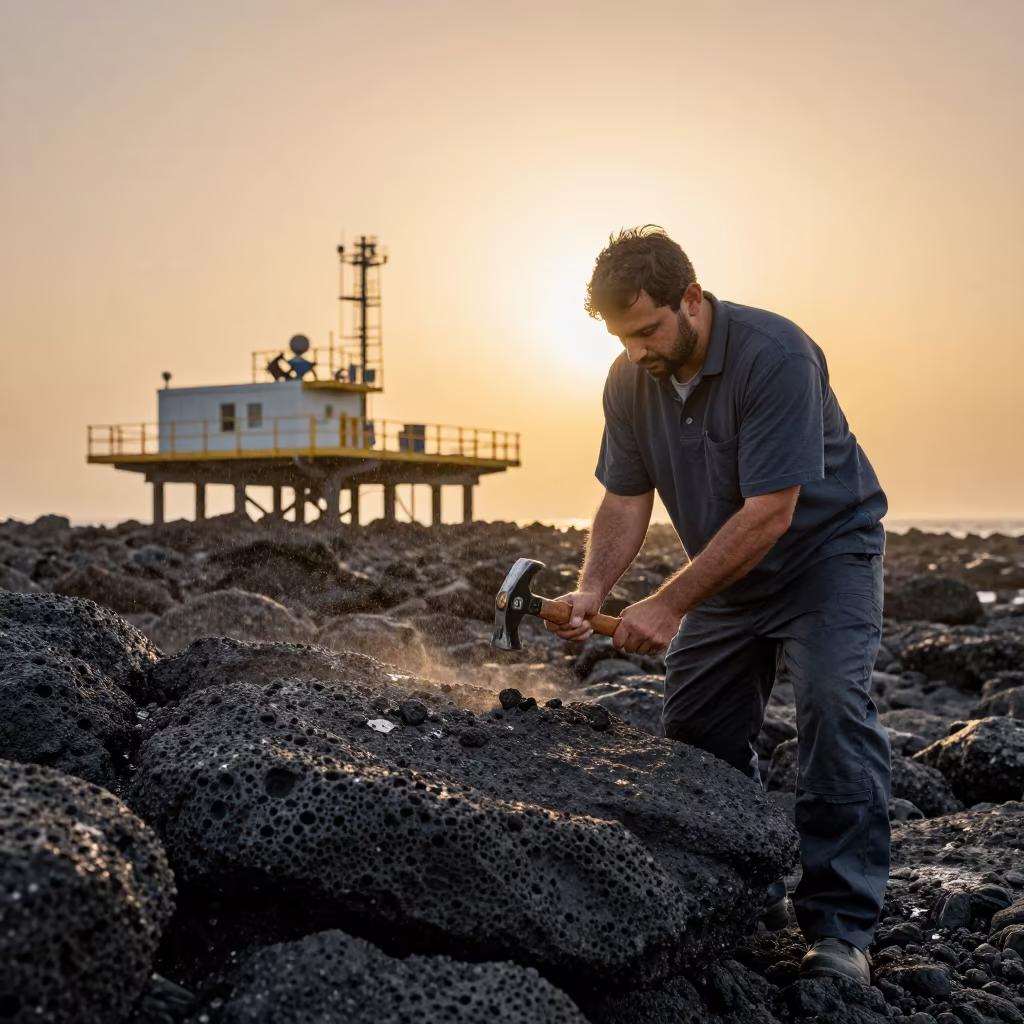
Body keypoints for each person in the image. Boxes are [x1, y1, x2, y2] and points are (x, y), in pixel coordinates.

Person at [548, 226, 890, 985]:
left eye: (647, 329)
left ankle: (840, 928)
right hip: (727, 576)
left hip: (822, 559)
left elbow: (771, 511)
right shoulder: (628, 378)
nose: (636, 349)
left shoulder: (776, 356)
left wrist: (668, 605)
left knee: (834, 712)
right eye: (621, 336)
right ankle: (748, 886)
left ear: (691, 299)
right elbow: (624, 499)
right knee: (696, 736)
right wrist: (594, 591)